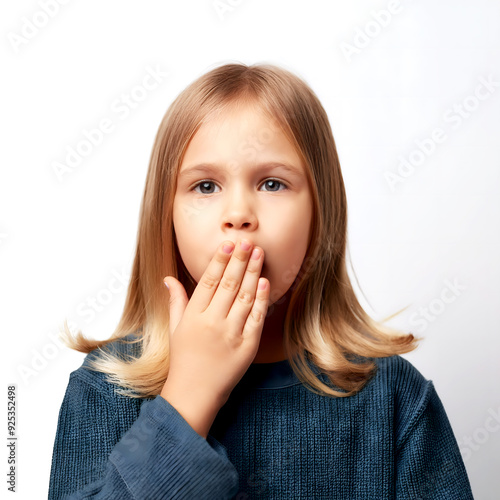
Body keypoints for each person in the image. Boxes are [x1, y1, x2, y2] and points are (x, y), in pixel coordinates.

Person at [48, 62, 474, 499]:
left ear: (320, 216)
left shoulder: (396, 398)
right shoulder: (105, 387)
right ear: (167, 215)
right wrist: (187, 398)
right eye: (206, 186)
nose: (238, 214)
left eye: (272, 183)